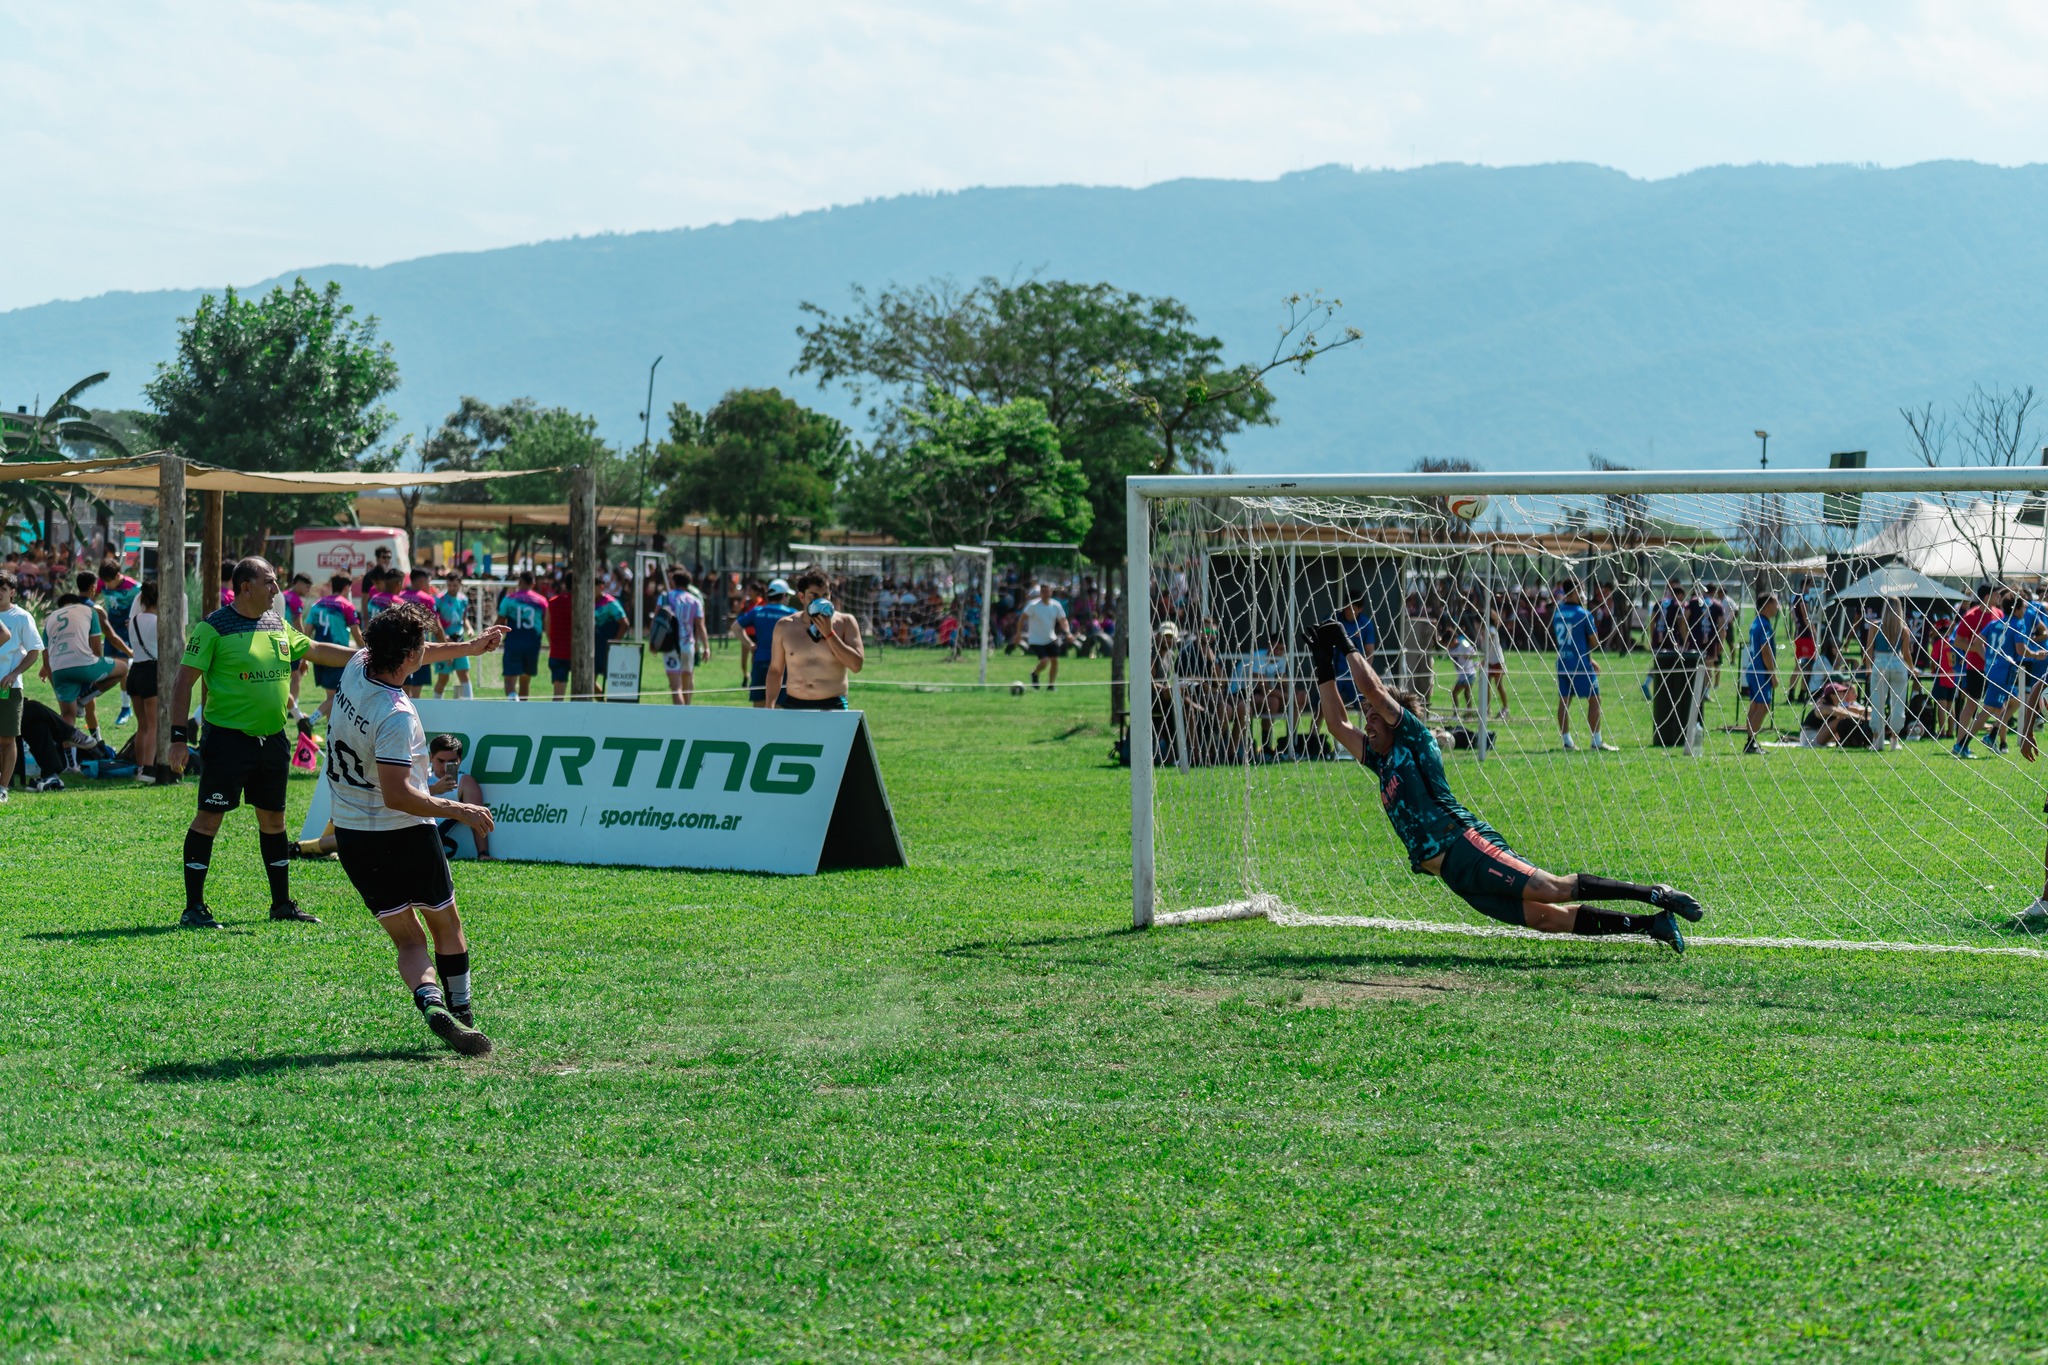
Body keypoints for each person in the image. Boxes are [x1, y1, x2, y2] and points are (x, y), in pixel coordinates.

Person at [1306, 620, 1702, 951]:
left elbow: (1374, 690)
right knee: (1547, 919)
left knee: (1552, 888)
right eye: (1368, 717)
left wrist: (1343, 642)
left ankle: (1657, 894)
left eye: (1374, 716)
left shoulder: (1413, 738)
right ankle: (1653, 926)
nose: (1368, 721)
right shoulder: (1381, 759)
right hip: (1454, 876)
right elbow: (1338, 725)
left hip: (1465, 845)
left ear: (1395, 717)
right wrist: (1323, 663)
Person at [323, 603, 503, 1055]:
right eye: (420, 646)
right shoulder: (395, 715)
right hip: (403, 831)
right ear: (406, 657)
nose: (426, 650)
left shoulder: (357, 664)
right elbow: (399, 795)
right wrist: (459, 809)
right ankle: (461, 1012)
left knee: (408, 938)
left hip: (352, 834)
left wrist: (471, 647)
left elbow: (419, 649)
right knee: (445, 922)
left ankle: (429, 1001)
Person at [169, 556, 367, 929]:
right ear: (246, 587)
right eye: (270, 582)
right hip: (227, 741)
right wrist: (178, 738)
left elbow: (316, 650)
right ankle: (193, 907)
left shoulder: (277, 623)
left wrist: (366, 656)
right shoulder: (212, 628)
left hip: (273, 741)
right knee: (209, 820)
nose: (277, 589)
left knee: (274, 821)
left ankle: (281, 905)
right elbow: (183, 682)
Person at [40, 579, 129, 749]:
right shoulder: (89, 611)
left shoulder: (50, 618)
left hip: (59, 671)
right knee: (123, 668)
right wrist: (95, 671)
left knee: (68, 718)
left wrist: (57, 687)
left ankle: (71, 764)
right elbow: (97, 647)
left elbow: (46, 659)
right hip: (85, 665)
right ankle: (85, 699)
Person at [766, 571, 865, 710]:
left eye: (825, 595)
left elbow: (856, 665)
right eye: (814, 596)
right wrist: (769, 705)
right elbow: (775, 670)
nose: (821, 601)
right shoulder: (785, 626)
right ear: (802, 597)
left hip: (832, 705)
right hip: (794, 705)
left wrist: (829, 634)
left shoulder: (846, 622)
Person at [1553, 580, 1614, 751]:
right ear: (1574, 592)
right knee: (1595, 699)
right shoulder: (1583, 614)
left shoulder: (1558, 612)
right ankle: (1597, 741)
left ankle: (1567, 741)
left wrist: (1590, 658)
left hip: (1563, 661)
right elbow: (1594, 642)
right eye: (1581, 591)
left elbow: (1570, 639)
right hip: (1580, 665)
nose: (1583, 595)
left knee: (1564, 701)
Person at [0, 570, 39, 801]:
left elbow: (34, 651)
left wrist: (15, 673)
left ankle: (3, 787)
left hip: (8, 687)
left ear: (12, 592)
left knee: (7, 738)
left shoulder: (21, 617)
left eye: (3, 589)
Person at [303, 573, 363, 721]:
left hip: (318, 654)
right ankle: (311, 720)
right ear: (346, 587)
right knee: (338, 695)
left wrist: (304, 658)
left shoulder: (317, 604)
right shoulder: (346, 605)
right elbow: (356, 634)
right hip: (337, 655)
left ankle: (331, 735)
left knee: (332, 696)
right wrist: (367, 650)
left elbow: (307, 633)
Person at [1953, 582, 2003, 760]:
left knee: (1999, 705)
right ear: (1987, 597)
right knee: (1972, 705)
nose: (1999, 598)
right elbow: (1957, 642)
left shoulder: (1999, 615)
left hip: (1997, 669)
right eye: (1997, 594)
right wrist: (1975, 649)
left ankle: (1995, 739)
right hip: (1976, 667)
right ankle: (1960, 744)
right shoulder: (1971, 615)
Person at [426, 733, 493, 860]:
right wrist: (434, 790)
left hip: (440, 838)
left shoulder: (465, 782)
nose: (445, 767)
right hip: (418, 834)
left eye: (452, 762)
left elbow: (478, 818)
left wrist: (483, 853)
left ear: (459, 760)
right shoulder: (420, 777)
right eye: (440, 761)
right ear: (431, 758)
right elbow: (401, 800)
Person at [736, 579, 798, 707]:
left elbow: (736, 627)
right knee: (780, 702)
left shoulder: (758, 611)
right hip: (783, 663)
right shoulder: (791, 613)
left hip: (760, 661)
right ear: (784, 596)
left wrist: (750, 645)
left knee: (759, 702)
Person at [1865, 596, 1912, 752]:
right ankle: (1894, 740)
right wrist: (1913, 669)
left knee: (1877, 703)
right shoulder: (1903, 629)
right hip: (1898, 663)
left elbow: (1869, 651)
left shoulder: (1875, 626)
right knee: (1898, 705)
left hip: (1880, 664)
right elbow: (1906, 654)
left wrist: (1868, 669)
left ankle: (1877, 740)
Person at [657, 568, 711, 705]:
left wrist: (654, 642)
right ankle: (687, 712)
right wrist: (706, 647)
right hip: (688, 646)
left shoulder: (665, 597)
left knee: (676, 688)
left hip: (670, 646)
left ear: (674, 582)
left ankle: (679, 715)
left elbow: (656, 621)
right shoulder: (695, 601)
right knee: (687, 684)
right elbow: (700, 626)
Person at [127, 582, 162, 780]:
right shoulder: (159, 621)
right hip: (151, 671)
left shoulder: (133, 620)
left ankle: (140, 766)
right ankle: (149, 768)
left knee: (142, 725)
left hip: (135, 670)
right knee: (154, 725)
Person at [496, 571, 548, 700]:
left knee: (509, 680)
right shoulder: (541, 601)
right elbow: (547, 624)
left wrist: (491, 637)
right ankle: (523, 709)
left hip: (514, 643)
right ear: (533, 583)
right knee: (525, 680)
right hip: (533, 644)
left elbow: (500, 622)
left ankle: (514, 701)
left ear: (520, 582)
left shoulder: (509, 599)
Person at [1740, 592, 1779, 755]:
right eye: (1776, 604)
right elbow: (1765, 651)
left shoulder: (1756, 622)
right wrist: (1772, 674)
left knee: (1756, 706)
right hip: (1760, 671)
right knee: (1763, 706)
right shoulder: (1764, 625)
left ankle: (1751, 741)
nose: (1777, 608)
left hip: (1752, 669)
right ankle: (1751, 742)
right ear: (1768, 605)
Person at [1011, 582, 1068, 691]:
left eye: (1048, 591)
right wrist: (1018, 634)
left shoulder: (1056, 605)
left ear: (1051, 592)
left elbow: (1063, 619)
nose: (1047, 594)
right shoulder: (1033, 605)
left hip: (1051, 638)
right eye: (1044, 591)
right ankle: (1035, 674)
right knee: (1044, 661)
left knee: (1055, 661)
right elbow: (1022, 619)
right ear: (1041, 593)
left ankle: (1051, 685)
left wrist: (1068, 632)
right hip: (1036, 639)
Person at [398, 568, 444, 697]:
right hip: (418, 647)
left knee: (400, 687)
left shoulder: (400, 596)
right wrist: (444, 646)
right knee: (416, 690)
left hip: (400, 647)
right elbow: (436, 627)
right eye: (429, 582)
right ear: (423, 580)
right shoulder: (427, 599)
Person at [432, 570, 475, 699]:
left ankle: (470, 704)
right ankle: (437, 704)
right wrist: (443, 636)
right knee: (443, 677)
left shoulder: (463, 600)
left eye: (455, 585)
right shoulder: (440, 599)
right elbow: (435, 620)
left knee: (464, 673)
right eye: (450, 585)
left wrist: (469, 628)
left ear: (460, 585)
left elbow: (463, 618)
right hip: (443, 642)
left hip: (459, 641)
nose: (452, 588)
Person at [593, 577, 628, 696]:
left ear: (601, 587)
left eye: (593, 586)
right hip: (595, 647)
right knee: (589, 681)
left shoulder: (610, 602)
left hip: (608, 648)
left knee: (614, 681)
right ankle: (603, 704)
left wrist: (615, 642)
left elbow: (624, 624)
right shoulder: (589, 602)